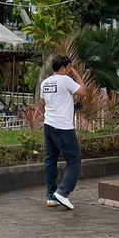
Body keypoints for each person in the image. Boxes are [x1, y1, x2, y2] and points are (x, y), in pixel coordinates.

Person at [40, 55, 85, 210]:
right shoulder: (65, 80)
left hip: (48, 124)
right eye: (69, 67)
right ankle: (63, 192)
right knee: (74, 159)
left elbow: (44, 102)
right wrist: (77, 74)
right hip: (63, 126)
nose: (70, 70)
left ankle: (51, 195)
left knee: (50, 159)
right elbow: (84, 91)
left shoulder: (45, 82)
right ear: (64, 68)